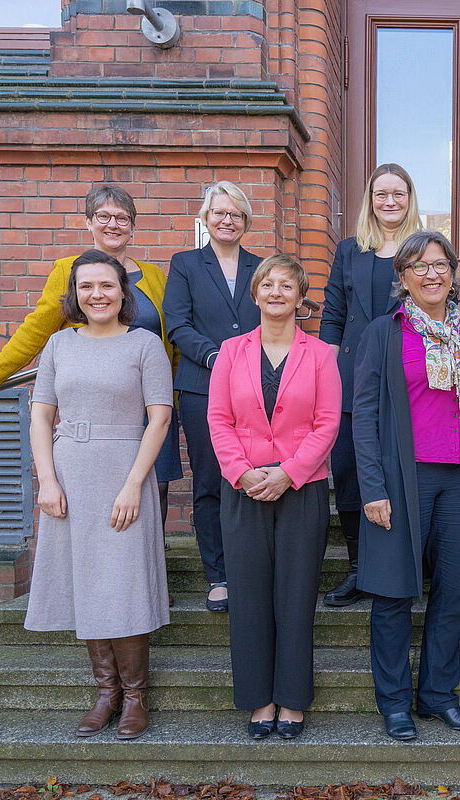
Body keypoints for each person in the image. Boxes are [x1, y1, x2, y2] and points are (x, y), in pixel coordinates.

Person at [0, 184, 181, 541]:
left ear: (133, 227)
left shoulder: (154, 276)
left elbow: (168, 337)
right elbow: (38, 328)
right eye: (104, 217)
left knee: (153, 489)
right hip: (97, 403)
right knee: (93, 496)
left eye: (122, 218)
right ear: (88, 223)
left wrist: (172, 395)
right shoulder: (69, 270)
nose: (113, 224)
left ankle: (146, 581)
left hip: (148, 401)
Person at [352, 230, 460, 741]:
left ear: (452, 272)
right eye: (419, 266)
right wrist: (371, 487)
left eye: (440, 264)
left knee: (453, 592)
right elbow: (365, 415)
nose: (431, 274)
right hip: (402, 480)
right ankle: (394, 703)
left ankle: (438, 695)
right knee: (393, 593)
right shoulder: (383, 333)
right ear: (403, 278)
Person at [23, 249, 173, 740]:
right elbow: (42, 415)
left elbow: (161, 417)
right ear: (75, 294)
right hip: (70, 474)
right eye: (86, 287)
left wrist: (133, 483)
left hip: (124, 470)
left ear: (122, 292)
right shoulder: (59, 345)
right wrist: (46, 480)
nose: (97, 295)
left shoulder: (145, 343)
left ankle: (135, 696)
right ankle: (105, 692)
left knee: (123, 582)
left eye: (106, 285)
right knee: (85, 581)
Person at [208, 254, 342, 741]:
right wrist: (242, 473)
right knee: (248, 596)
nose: (276, 292)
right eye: (268, 283)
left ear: (300, 296)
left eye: (287, 285)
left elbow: (327, 422)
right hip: (243, 490)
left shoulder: (321, 353)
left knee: (295, 595)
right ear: (256, 292)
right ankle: (258, 700)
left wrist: (289, 473)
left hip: (300, 490)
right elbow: (218, 420)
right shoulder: (230, 351)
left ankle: (292, 700)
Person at [320, 163, 423, 608]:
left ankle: (409, 562)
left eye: (398, 194)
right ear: (370, 199)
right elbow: (333, 316)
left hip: (408, 381)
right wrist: (325, 370)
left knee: (404, 472)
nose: (390, 202)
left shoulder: (424, 250)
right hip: (351, 378)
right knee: (347, 471)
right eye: (381, 194)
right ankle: (360, 567)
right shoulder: (348, 251)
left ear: (410, 198)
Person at [164, 181, 263, 613]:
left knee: (252, 475)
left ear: (245, 222)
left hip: (257, 388)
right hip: (202, 386)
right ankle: (218, 575)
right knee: (210, 481)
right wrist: (216, 356)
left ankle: (250, 569)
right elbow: (177, 324)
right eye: (219, 213)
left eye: (236, 214)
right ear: (206, 218)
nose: (227, 220)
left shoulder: (261, 266)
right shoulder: (185, 264)